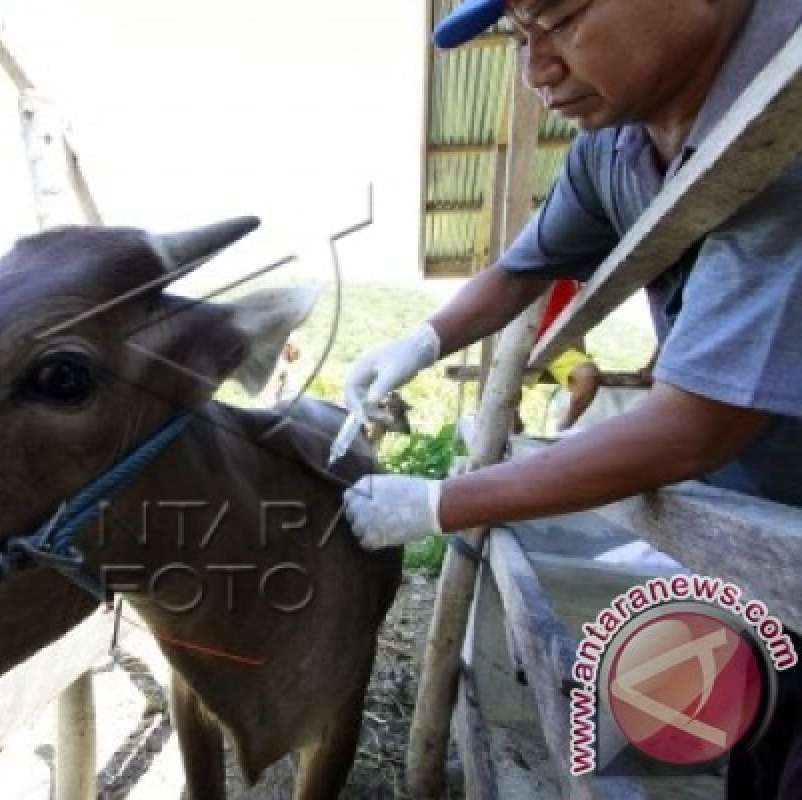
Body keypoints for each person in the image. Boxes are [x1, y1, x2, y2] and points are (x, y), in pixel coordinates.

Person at [341, 0, 802, 795]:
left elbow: (696, 426)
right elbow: (524, 268)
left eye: (558, 18)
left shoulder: (782, 112)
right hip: (762, 527)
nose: (535, 70)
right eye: (520, 37)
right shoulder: (619, 143)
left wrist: (445, 501)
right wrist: (418, 343)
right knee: (761, 735)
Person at [535, 279, 601, 432]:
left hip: (559, 347)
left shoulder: (574, 274)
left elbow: (578, 319)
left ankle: (563, 429)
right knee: (506, 410)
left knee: (588, 376)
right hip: (518, 346)